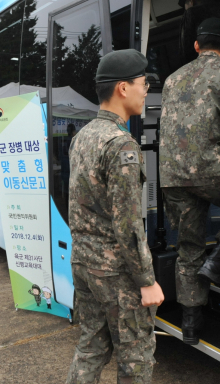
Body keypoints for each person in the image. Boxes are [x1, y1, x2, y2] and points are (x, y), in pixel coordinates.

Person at [66, 49, 164, 384]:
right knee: (135, 356)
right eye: (143, 83)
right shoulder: (121, 144)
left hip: (83, 261)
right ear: (123, 88)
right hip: (115, 272)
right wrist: (147, 281)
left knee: (91, 347)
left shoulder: (82, 136)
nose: (146, 89)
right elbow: (128, 225)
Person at [159, 18, 220, 345]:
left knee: (188, 247)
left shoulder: (172, 78)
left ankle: (190, 326)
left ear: (196, 46)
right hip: (211, 169)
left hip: (172, 175)